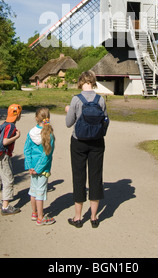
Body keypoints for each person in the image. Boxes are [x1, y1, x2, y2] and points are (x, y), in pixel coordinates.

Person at [65, 70, 108, 228]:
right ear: (93, 82)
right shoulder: (101, 99)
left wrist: (68, 110)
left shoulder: (76, 99)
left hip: (78, 141)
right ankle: (94, 217)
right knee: (96, 177)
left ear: (81, 82)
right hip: (97, 142)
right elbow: (105, 121)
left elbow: (69, 123)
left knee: (79, 176)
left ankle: (77, 217)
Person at [0, 103, 22, 215]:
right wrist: (17, 136)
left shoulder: (5, 124)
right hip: (4, 155)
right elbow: (5, 141)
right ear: (18, 115)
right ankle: (5, 206)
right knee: (8, 179)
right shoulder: (11, 126)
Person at [24, 107, 55, 226]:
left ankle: (34, 213)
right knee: (40, 192)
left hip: (32, 168)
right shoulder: (49, 134)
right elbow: (46, 155)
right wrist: (38, 168)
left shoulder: (31, 133)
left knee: (33, 190)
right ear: (48, 118)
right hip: (43, 169)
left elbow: (27, 150)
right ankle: (41, 217)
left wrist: (30, 166)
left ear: (36, 118)